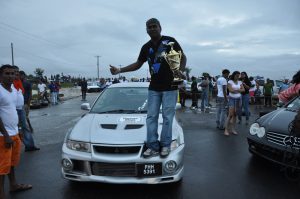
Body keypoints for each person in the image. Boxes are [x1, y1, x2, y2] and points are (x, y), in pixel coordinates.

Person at [109, 18, 186, 158]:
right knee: (151, 117)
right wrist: (119, 70)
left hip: (170, 86)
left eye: (154, 26)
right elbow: (138, 64)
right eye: (149, 27)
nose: (152, 29)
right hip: (154, 88)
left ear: (160, 27)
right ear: (146, 30)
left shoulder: (170, 41)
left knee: (168, 117)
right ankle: (152, 146)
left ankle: (165, 145)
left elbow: (183, 57)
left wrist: (181, 71)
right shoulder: (146, 47)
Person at [0, 64, 32, 199]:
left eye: (13, 73)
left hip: (13, 133)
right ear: (1, 75)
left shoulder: (13, 90)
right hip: (3, 135)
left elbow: (14, 111)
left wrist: (18, 130)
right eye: (7, 73)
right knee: (2, 167)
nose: (10, 76)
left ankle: (13, 185)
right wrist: (6, 135)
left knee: (12, 163)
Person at [14, 69, 39, 152]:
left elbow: (24, 93)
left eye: (18, 74)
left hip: (21, 107)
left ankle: (30, 145)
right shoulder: (8, 84)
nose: (17, 76)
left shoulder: (21, 83)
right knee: (15, 128)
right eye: (15, 74)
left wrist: (28, 103)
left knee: (24, 126)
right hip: (13, 109)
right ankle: (13, 148)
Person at [224, 71, 245, 136]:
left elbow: (243, 90)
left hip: (238, 99)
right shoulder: (230, 82)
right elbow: (230, 90)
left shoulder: (240, 82)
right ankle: (226, 130)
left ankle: (233, 129)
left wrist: (236, 90)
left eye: (238, 76)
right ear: (234, 75)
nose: (237, 77)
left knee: (235, 115)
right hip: (232, 99)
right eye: (236, 75)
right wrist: (239, 90)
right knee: (230, 115)